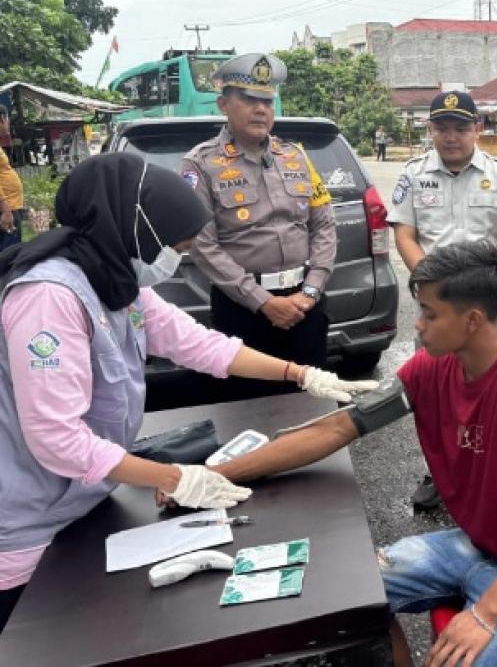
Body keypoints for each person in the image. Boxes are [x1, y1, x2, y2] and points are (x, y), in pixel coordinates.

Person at [0, 152, 374, 634]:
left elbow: (198, 344)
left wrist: (301, 375)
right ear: (136, 231)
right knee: (45, 640)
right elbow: (55, 437)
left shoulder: (118, 279)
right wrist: (177, 478)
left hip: (85, 499)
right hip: (27, 527)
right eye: (174, 245)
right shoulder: (50, 297)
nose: (177, 258)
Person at [206, 241, 497, 667]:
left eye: (429, 313)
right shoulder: (430, 369)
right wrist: (221, 474)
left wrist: (484, 614)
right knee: (348, 599)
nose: (420, 325)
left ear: (472, 320)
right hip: (477, 544)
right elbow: (339, 427)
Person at [388, 90, 497, 510]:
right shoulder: (413, 175)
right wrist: (434, 287)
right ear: (430, 130)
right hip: (434, 309)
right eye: (443, 128)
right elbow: (405, 235)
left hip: (483, 309)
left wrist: (475, 289)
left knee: (492, 388)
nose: (451, 136)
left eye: (461, 127)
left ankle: (491, 468)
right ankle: (439, 470)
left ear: (477, 129)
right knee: (434, 391)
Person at [182, 53, 337, 398]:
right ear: (224, 104)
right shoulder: (200, 164)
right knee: (247, 408)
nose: (260, 109)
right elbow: (203, 246)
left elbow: (324, 225)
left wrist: (311, 292)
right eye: (248, 99)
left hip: (305, 305)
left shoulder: (296, 155)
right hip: (244, 311)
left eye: (267, 100)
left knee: (312, 401)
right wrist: (263, 302)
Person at [0, 141, 22, 252]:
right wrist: (5, 210)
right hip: (6, 207)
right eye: (6, 122)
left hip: (9, 205)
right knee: (10, 253)